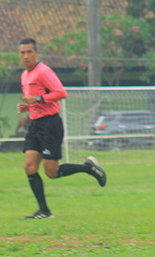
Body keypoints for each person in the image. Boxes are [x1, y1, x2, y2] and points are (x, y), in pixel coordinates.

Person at [17, 38, 107, 219]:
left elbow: (60, 93)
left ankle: (87, 168)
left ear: (36, 53)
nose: (26, 56)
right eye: (22, 52)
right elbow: (36, 99)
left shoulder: (43, 71)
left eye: (29, 52)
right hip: (35, 125)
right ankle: (44, 211)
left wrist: (38, 99)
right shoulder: (24, 75)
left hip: (50, 124)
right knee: (29, 167)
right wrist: (29, 107)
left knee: (52, 172)